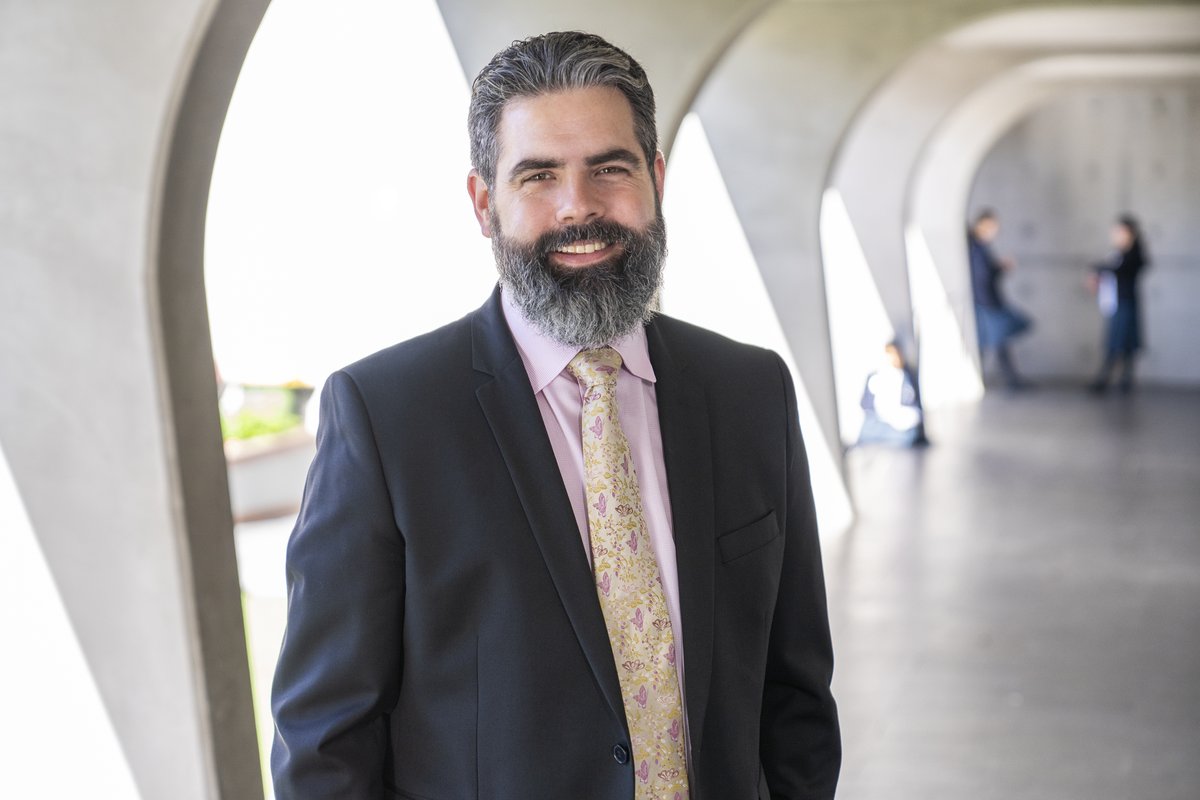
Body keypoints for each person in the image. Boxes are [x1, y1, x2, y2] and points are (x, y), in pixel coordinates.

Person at [270, 31, 841, 800]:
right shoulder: (386, 417)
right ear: (484, 203)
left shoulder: (750, 392)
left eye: (610, 168)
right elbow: (325, 740)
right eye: (538, 175)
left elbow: (795, 688)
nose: (580, 207)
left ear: (656, 179)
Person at [968, 209, 1032, 389]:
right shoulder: (976, 248)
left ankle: (1012, 381)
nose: (994, 231)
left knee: (996, 343)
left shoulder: (980, 247)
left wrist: (999, 268)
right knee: (994, 342)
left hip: (987, 302)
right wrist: (1000, 268)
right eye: (992, 227)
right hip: (986, 303)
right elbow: (982, 278)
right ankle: (1011, 381)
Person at [1087, 214, 1149, 394]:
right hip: (1118, 301)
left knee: (1120, 342)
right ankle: (1122, 380)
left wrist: (1096, 269)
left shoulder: (1134, 253)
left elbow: (1120, 270)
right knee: (1120, 341)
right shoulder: (1119, 253)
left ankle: (1109, 380)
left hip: (1126, 302)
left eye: (1119, 231)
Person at [856, 341, 927, 448]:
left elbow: (911, 404)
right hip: (878, 421)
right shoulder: (874, 377)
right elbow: (865, 404)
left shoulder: (904, 376)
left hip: (899, 423)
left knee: (908, 434)